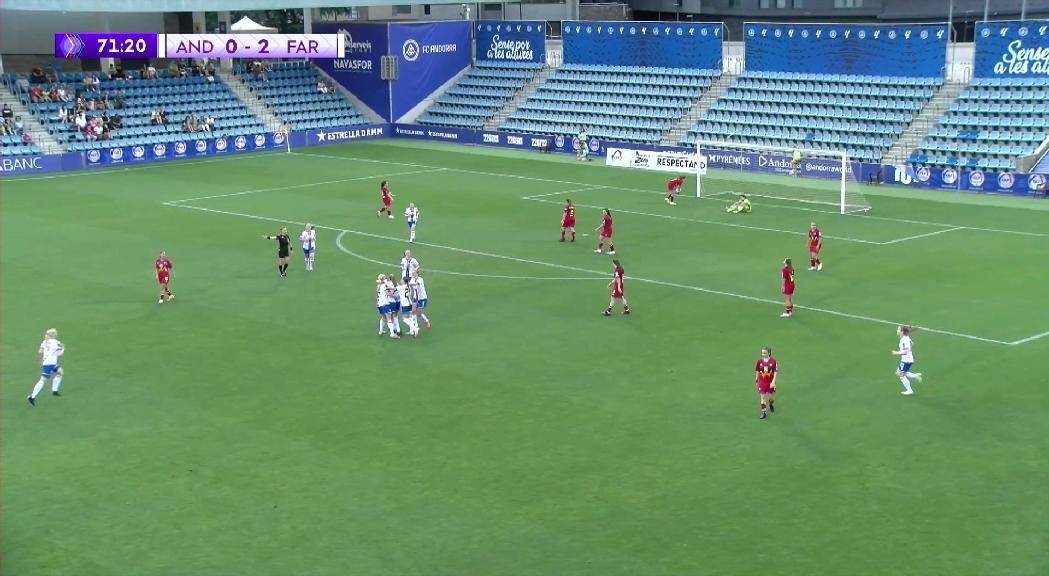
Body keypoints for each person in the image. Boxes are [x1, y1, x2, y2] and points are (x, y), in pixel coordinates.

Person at [27, 328, 65, 405]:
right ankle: (32, 396)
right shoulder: (57, 343)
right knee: (42, 380)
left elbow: (40, 351)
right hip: (50, 364)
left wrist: (46, 355)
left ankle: (54, 390)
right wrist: (63, 348)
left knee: (60, 372)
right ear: (54, 335)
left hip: (49, 363)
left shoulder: (44, 342)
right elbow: (60, 354)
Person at [892, 326, 922, 396]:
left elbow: (906, 351)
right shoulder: (905, 337)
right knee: (898, 372)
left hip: (906, 360)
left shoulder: (904, 340)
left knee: (901, 374)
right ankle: (915, 376)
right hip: (907, 359)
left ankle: (909, 390)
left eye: (898, 329)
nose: (897, 330)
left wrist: (896, 353)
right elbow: (910, 340)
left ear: (902, 332)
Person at [754, 347, 778, 419]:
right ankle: (763, 412)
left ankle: (770, 404)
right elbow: (757, 370)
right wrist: (756, 379)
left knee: (771, 398)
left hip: (770, 383)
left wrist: (773, 381)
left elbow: (776, 372)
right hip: (762, 382)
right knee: (763, 397)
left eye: (764, 353)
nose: (763, 354)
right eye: (762, 353)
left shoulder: (773, 361)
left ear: (769, 353)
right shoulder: (759, 362)